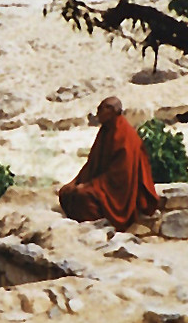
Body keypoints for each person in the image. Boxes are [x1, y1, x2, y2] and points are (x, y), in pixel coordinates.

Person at [58, 96, 159, 229]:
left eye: (101, 109)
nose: (98, 113)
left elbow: (120, 174)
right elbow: (93, 163)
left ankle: (100, 228)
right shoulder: (106, 130)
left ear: (111, 111)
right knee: (66, 192)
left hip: (118, 190)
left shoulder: (125, 136)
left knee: (83, 196)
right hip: (103, 183)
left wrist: (90, 186)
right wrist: (77, 181)